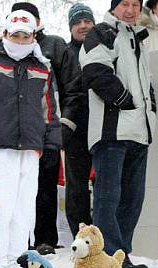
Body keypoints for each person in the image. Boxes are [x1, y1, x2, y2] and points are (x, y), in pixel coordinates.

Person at [0, 10, 61, 268]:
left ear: (33, 36)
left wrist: (51, 144)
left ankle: (14, 264)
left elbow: (50, 108)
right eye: (15, 35)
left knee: (23, 210)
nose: (20, 40)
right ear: (5, 34)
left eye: (26, 35)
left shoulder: (42, 65)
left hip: (30, 148)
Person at [80, 0, 156, 268]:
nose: (130, 9)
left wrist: (150, 112)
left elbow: (146, 84)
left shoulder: (139, 38)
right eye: (124, 3)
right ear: (114, 7)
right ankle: (107, 256)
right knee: (107, 197)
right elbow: (95, 71)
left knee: (133, 198)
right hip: (111, 131)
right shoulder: (101, 32)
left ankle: (121, 257)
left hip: (139, 132)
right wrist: (124, 100)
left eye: (135, 4)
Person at [12, 2, 84, 255]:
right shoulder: (4, 49)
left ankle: (44, 238)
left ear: (38, 20)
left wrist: (64, 126)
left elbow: (73, 88)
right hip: (13, 132)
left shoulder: (54, 46)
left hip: (47, 129)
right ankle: (17, 241)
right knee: (15, 189)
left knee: (45, 187)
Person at [65, 3, 96, 235]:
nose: (83, 26)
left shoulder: (105, 47)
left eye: (87, 21)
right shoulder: (65, 53)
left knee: (105, 183)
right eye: (77, 22)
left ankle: (101, 232)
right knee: (76, 185)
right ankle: (79, 230)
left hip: (105, 125)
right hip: (75, 128)